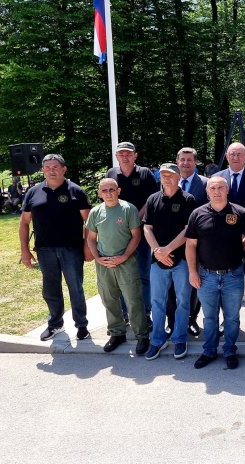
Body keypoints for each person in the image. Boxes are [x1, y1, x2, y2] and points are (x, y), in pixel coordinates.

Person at [185, 176, 245, 370]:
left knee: (232, 317)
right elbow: (190, 244)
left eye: (220, 187)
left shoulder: (240, 213)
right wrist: (192, 272)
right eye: (212, 188)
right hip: (206, 275)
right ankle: (209, 350)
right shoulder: (197, 214)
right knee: (209, 317)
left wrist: (238, 250)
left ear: (227, 190)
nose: (216, 191)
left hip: (232, 275)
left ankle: (230, 350)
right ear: (207, 192)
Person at [19, 154, 91, 341]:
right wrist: (24, 250)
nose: (51, 170)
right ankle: (55, 324)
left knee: (75, 287)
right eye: (47, 167)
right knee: (50, 289)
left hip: (71, 249)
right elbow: (24, 223)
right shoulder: (33, 192)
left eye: (55, 166)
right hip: (44, 249)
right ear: (42, 170)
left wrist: (88, 247)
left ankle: (81, 325)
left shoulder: (76, 191)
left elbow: (90, 223)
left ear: (64, 169)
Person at [85, 178, 150, 354]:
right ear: (99, 193)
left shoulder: (128, 209)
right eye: (104, 190)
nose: (108, 193)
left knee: (133, 299)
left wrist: (124, 256)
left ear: (118, 190)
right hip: (104, 263)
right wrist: (97, 258)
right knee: (109, 299)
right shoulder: (96, 212)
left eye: (112, 189)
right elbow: (91, 238)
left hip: (126, 262)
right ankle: (117, 333)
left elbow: (136, 236)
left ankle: (142, 335)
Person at [143, 163, 198, 360]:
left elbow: (188, 230)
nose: (166, 178)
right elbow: (147, 228)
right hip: (158, 261)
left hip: (181, 260)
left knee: (183, 302)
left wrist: (168, 249)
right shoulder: (153, 199)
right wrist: (158, 251)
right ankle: (157, 340)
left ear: (178, 177)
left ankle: (179, 338)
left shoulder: (188, 199)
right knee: (157, 301)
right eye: (163, 175)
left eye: (170, 175)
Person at [215, 142, 245, 338]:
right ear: (227, 156)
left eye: (239, 154)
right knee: (223, 283)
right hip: (224, 242)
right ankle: (223, 321)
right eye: (232, 154)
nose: (235, 157)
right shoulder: (217, 179)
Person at [105, 141, 158, 323]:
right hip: (119, 234)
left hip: (141, 233)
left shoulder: (145, 174)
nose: (125, 157)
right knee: (121, 276)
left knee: (143, 274)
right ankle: (125, 313)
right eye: (121, 154)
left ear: (135, 155)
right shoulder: (111, 174)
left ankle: (145, 313)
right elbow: (108, 199)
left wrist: (134, 220)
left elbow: (151, 200)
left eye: (128, 154)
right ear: (116, 156)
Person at [175, 147, 209, 336]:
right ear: (177, 161)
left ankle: (192, 319)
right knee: (174, 283)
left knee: (195, 279)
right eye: (182, 160)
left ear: (195, 162)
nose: (185, 163)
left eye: (189, 160)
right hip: (172, 240)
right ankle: (174, 320)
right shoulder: (168, 182)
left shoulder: (205, 183)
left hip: (197, 241)